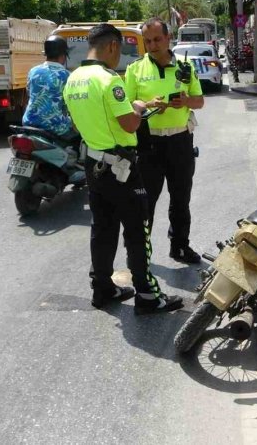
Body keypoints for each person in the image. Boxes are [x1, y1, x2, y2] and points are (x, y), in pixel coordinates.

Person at [63, 23, 183, 314]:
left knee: (102, 228)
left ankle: (102, 287)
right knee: (137, 229)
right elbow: (129, 124)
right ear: (113, 46)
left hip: (94, 164)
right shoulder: (109, 80)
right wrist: (138, 108)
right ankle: (147, 295)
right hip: (121, 167)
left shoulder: (73, 80)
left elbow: (78, 124)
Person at [125, 17, 206, 264]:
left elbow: (199, 101)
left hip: (180, 141)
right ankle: (139, 253)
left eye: (157, 39)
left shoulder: (185, 66)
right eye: (147, 41)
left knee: (181, 199)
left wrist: (185, 101)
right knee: (145, 201)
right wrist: (147, 104)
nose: (152, 45)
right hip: (148, 144)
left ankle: (180, 246)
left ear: (168, 38)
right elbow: (127, 105)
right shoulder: (135, 69)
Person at [22, 35, 79, 146]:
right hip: (56, 127)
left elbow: (29, 94)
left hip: (29, 123)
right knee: (80, 141)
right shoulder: (67, 75)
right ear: (63, 55)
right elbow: (71, 104)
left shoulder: (33, 71)